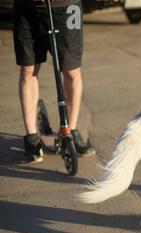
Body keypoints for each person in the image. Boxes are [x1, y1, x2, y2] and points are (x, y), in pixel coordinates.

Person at [13, 0, 95, 163]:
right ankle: (32, 139)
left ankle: (70, 130)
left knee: (71, 71)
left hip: (66, 6)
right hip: (27, 8)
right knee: (28, 69)